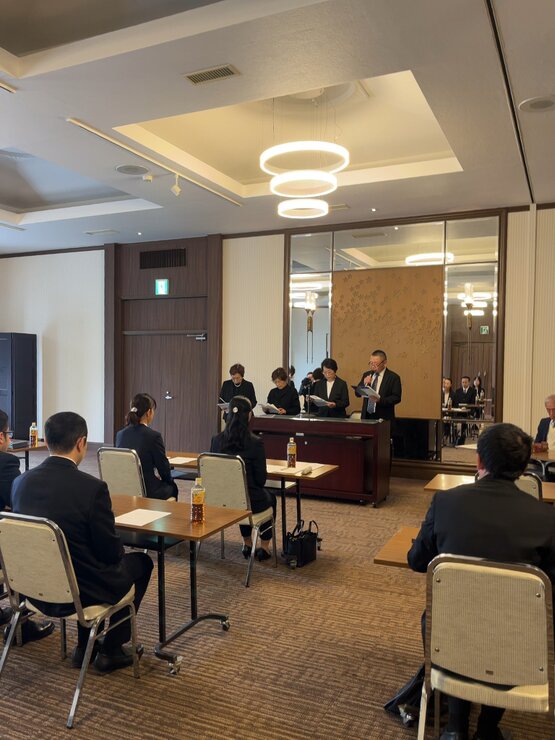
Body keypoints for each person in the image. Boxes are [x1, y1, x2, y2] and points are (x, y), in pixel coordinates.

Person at [408, 423, 555, 740]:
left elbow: (417, 561)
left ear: (478, 460)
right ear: (524, 467)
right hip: (517, 647)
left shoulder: (446, 503)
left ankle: (455, 727)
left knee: (442, 618)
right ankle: (487, 729)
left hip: (450, 638)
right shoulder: (546, 519)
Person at [11, 411, 153, 672]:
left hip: (34, 588)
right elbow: (110, 553)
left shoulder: (20, 482)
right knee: (142, 563)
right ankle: (111, 649)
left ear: (47, 440)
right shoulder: (92, 488)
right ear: (81, 443)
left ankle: (84, 647)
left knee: (81, 557)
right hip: (81, 592)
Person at [0, 409, 55, 641]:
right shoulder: (5, 462)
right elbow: (18, 503)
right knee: (21, 534)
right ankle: (21, 625)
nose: (10, 438)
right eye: (8, 433)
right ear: (1, 437)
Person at [210, 396, 276, 561]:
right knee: (269, 497)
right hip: (249, 502)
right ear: (249, 415)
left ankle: (247, 543)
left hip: (221, 501)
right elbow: (261, 480)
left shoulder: (216, 440)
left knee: (239, 495)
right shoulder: (255, 443)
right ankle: (264, 547)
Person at [115, 393, 178, 500]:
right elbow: (163, 468)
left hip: (124, 487)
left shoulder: (120, 434)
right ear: (149, 412)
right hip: (146, 490)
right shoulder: (153, 436)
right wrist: (169, 482)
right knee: (172, 488)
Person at [355, 350, 402, 420]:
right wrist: (363, 383)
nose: (372, 366)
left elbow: (396, 398)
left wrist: (380, 400)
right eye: (371, 363)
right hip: (366, 416)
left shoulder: (393, 377)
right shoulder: (367, 374)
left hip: (383, 416)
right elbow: (357, 394)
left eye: (375, 364)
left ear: (384, 363)